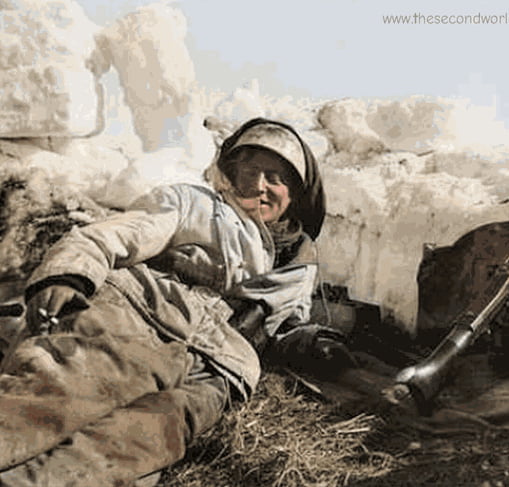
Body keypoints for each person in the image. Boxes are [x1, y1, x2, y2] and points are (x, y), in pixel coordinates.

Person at [0, 118, 349, 486]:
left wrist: (313, 341)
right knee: (45, 405)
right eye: (251, 170)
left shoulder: (298, 263)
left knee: (127, 451)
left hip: (218, 370)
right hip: (141, 321)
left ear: (295, 194)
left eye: (276, 177)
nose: (260, 185)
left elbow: (287, 325)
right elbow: (115, 235)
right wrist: (68, 275)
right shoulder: (191, 203)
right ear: (230, 172)